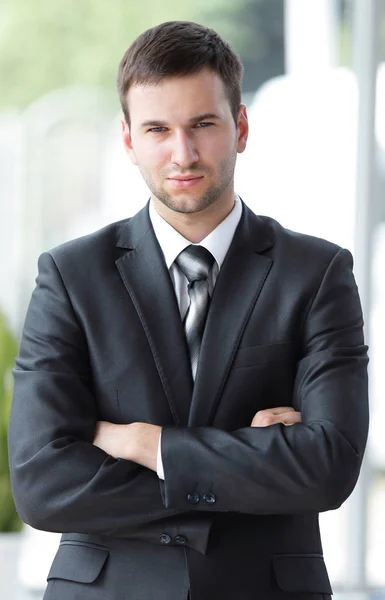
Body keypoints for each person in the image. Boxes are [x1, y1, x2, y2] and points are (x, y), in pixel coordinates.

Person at [8, 20, 369, 600]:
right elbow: (42, 483)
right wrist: (244, 459)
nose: (183, 153)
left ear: (240, 127)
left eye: (203, 124)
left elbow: (327, 467)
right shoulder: (72, 275)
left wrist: (150, 445)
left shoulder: (317, 273)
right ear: (128, 140)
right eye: (158, 129)